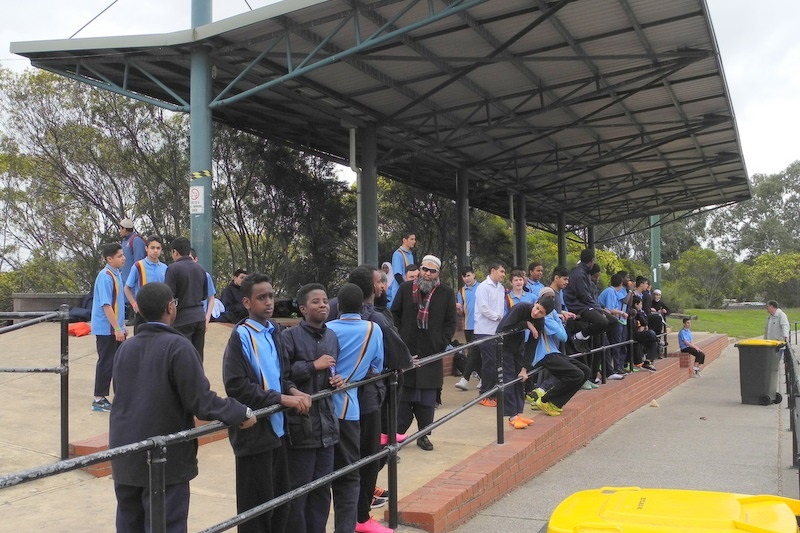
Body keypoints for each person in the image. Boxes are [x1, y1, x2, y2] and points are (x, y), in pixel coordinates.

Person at [109, 282, 257, 533]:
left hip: (125, 453)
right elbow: (201, 401)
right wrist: (239, 411)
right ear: (170, 307)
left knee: (129, 523)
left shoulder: (126, 348)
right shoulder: (178, 347)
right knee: (167, 524)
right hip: (165, 459)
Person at [223, 272, 311, 533]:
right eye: (262, 298)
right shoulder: (240, 336)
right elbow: (236, 385)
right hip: (255, 435)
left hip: (278, 431)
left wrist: (293, 391)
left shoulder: (275, 331)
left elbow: (281, 376)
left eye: (271, 296)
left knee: (280, 503)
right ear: (247, 303)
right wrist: (281, 398)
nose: (269, 302)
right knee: (256, 511)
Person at [281, 283, 341, 533]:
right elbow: (283, 378)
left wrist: (337, 380)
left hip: (327, 428)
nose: (323, 305)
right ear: (303, 309)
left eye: (325, 300)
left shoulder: (332, 337)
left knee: (322, 491)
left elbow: (333, 371)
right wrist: (312, 366)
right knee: (299, 492)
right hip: (301, 428)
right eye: (316, 301)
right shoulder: (289, 337)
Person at [327, 283, 386, 533]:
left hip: (323, 409)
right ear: (362, 306)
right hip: (350, 409)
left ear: (337, 306)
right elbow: (378, 365)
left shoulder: (327, 329)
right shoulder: (373, 329)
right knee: (349, 474)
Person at [391, 254, 456, 451]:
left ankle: (424, 435)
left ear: (438, 273)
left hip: (431, 355)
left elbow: (451, 322)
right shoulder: (405, 288)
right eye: (424, 269)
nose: (427, 274)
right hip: (407, 353)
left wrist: (441, 343)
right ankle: (398, 437)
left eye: (431, 271)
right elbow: (394, 314)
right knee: (403, 400)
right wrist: (400, 339)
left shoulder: (446, 293)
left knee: (427, 402)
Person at [529, 294, 592, 416]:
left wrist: (556, 316)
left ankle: (555, 402)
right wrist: (556, 318)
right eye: (537, 308)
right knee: (576, 374)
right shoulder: (546, 319)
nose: (536, 313)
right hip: (543, 354)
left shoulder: (548, 316)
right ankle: (545, 400)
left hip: (553, 351)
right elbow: (563, 337)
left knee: (585, 371)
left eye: (541, 311)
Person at [90, 242, 127, 412]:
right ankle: (99, 398)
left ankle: (118, 395)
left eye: (123, 255)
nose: (123, 258)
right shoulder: (105, 276)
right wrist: (117, 328)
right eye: (119, 256)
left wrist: (122, 326)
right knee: (106, 362)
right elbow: (106, 305)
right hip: (107, 329)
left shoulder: (116, 273)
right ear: (109, 259)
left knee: (118, 362)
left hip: (116, 327)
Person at [164, 237, 209, 362]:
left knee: (182, 357)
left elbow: (168, 296)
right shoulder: (200, 269)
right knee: (198, 356)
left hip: (181, 319)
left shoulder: (173, 269)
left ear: (175, 252)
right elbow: (204, 295)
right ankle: (198, 380)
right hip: (200, 317)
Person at [563, 249, 611, 354]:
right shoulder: (579, 273)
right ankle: (578, 337)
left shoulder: (584, 272)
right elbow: (584, 295)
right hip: (578, 306)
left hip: (584, 304)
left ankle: (583, 337)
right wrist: (599, 310)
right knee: (603, 321)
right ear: (592, 261)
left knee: (613, 321)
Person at [473, 261, 507, 407]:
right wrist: (497, 317)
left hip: (496, 331)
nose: (503, 275)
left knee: (497, 362)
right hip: (484, 330)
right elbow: (483, 308)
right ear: (493, 270)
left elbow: (502, 307)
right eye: (501, 271)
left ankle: (493, 394)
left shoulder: (501, 288)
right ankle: (484, 393)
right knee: (489, 362)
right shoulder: (483, 287)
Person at [123, 235, 168, 333]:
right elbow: (127, 288)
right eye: (152, 248)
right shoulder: (138, 266)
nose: (155, 251)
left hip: (160, 311)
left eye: (158, 248)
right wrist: (134, 304)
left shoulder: (164, 268)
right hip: (142, 312)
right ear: (146, 249)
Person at [454, 266, 481, 391]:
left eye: (469, 275)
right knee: (476, 354)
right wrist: (458, 309)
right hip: (468, 326)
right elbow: (461, 312)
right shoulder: (461, 292)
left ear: (474, 275)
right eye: (464, 276)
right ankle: (483, 377)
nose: (467, 278)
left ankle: (465, 378)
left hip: (480, 326)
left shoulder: (481, 288)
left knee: (472, 352)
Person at [118, 218, 146, 295]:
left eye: (120, 228)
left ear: (125, 229)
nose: (119, 231)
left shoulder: (136, 240)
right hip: (124, 285)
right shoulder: (124, 242)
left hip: (133, 288)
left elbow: (139, 264)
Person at [388, 231, 416, 305]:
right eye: (411, 239)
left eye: (414, 239)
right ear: (404, 240)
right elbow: (397, 275)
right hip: (400, 290)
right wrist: (406, 289)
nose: (414, 241)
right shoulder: (398, 254)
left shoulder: (410, 255)